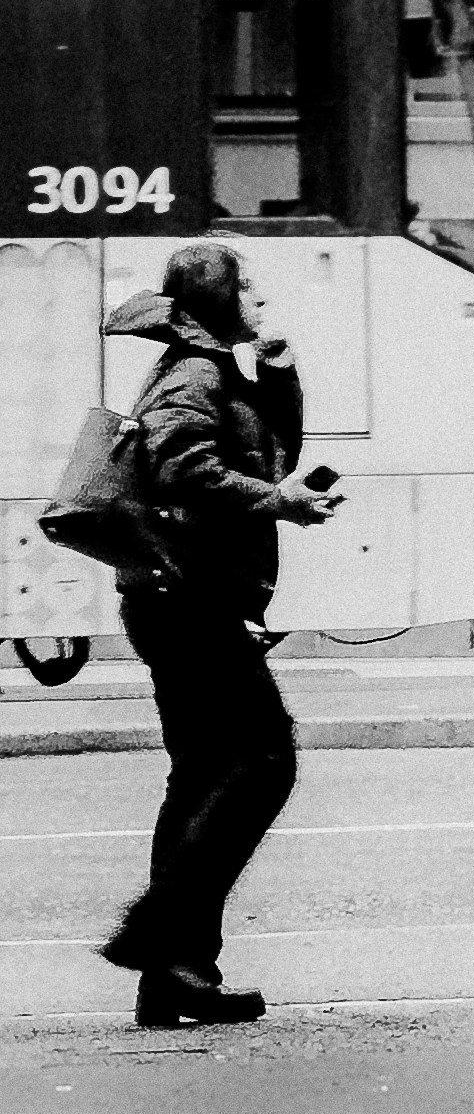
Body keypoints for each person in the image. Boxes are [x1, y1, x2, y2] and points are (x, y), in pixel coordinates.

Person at [97, 243, 341, 1030]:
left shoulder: (210, 366)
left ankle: (178, 978)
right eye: (246, 283)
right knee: (265, 758)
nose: (259, 294)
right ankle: (158, 931)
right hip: (185, 599)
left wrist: (277, 378)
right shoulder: (195, 373)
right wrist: (278, 503)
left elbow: (273, 454)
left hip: (180, 595)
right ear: (216, 296)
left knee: (202, 774)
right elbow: (180, 469)